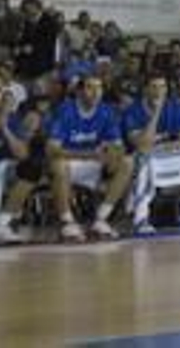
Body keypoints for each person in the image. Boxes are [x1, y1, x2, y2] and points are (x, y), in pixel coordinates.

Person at [47, 75, 132, 241]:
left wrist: (113, 154)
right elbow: (51, 149)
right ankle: (67, 222)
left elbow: (119, 145)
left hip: (96, 163)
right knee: (58, 165)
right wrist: (88, 155)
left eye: (99, 88)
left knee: (127, 162)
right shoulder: (66, 110)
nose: (95, 92)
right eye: (89, 87)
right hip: (70, 163)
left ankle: (101, 219)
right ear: (79, 92)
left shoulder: (107, 111)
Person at [123, 75, 180, 234]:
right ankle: (140, 218)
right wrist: (156, 112)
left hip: (165, 157)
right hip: (141, 160)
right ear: (145, 90)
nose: (159, 91)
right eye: (154, 86)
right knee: (145, 162)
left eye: (162, 87)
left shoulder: (173, 107)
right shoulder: (133, 111)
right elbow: (142, 145)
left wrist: (163, 146)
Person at [0, 91, 45, 244]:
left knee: (31, 170)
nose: (7, 105)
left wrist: (5, 129)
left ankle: (2, 225)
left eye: (10, 103)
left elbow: (23, 154)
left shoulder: (14, 121)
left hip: (6, 167)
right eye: (4, 101)